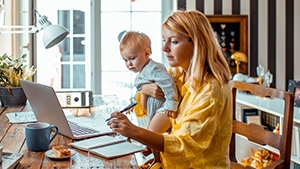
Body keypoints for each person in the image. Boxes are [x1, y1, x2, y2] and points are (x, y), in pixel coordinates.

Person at [108, 10, 232, 169]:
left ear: (196, 43)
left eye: (173, 41)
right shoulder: (178, 74)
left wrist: (135, 132)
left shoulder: (211, 90)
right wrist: (145, 89)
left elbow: (185, 146)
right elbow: (149, 110)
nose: (164, 48)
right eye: (164, 40)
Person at [119, 31, 180, 158]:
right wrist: (132, 104)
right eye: (125, 60)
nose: (129, 64)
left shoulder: (153, 69)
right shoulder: (143, 72)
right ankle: (156, 160)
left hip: (164, 110)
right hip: (155, 111)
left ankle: (157, 160)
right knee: (150, 137)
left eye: (132, 58)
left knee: (150, 134)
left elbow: (168, 82)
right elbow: (139, 91)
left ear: (147, 53)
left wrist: (171, 103)